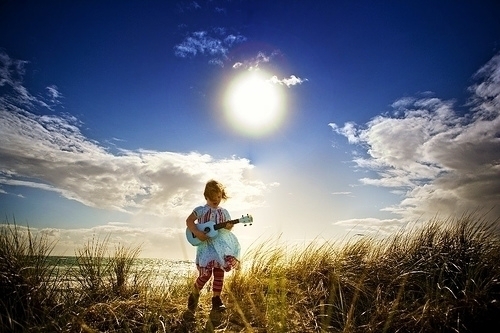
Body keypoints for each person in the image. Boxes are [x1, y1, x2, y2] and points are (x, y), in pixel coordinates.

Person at [185, 179, 241, 313]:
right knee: (205, 274)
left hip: (220, 248)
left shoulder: (224, 212)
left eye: (218, 196)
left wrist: (229, 226)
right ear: (206, 197)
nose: (216, 200)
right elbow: (189, 221)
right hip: (206, 247)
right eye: (212, 197)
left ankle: (216, 300)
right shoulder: (201, 210)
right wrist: (197, 232)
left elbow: (226, 230)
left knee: (219, 273)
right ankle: (194, 295)